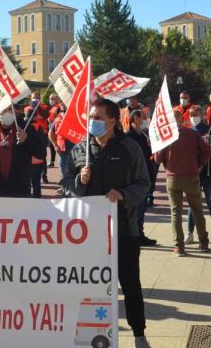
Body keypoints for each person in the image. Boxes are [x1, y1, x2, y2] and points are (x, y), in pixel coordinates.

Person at [62, 98, 151, 348]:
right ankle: (88, 336)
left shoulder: (130, 148)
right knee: (89, 288)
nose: (93, 122)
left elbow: (144, 183)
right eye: (91, 117)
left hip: (124, 233)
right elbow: (65, 186)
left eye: (98, 118)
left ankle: (139, 334)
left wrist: (123, 194)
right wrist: (78, 181)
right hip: (89, 236)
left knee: (130, 286)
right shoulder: (80, 149)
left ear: (112, 120)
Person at [154, 109, 211, 256]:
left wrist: (156, 148)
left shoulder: (166, 136)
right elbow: (207, 151)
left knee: (176, 213)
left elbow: (157, 159)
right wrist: (198, 164)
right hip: (191, 176)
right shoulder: (192, 134)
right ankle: (203, 242)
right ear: (181, 119)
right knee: (197, 210)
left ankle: (179, 246)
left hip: (173, 178)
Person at [186, 104, 211, 246]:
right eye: (191, 115)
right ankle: (189, 233)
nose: (193, 118)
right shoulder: (188, 132)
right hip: (194, 174)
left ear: (202, 116)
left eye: (196, 115)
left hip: (209, 174)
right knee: (192, 205)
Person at [0, 106, 35, 197]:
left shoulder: (26, 127)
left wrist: (27, 140)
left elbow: (41, 153)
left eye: (9, 109)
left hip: (20, 189)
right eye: (3, 110)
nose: (7, 113)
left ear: (14, 110)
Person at [125, 109, 157, 246]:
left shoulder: (143, 134)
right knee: (136, 209)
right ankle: (134, 236)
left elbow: (147, 154)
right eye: (143, 117)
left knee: (142, 208)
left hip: (145, 175)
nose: (146, 120)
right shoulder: (128, 136)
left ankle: (140, 234)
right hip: (135, 178)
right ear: (136, 118)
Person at [23, 105, 49, 196]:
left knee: (26, 183)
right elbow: (45, 142)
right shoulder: (38, 126)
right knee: (36, 183)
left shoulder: (22, 126)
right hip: (37, 159)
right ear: (35, 116)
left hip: (26, 160)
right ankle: (37, 200)